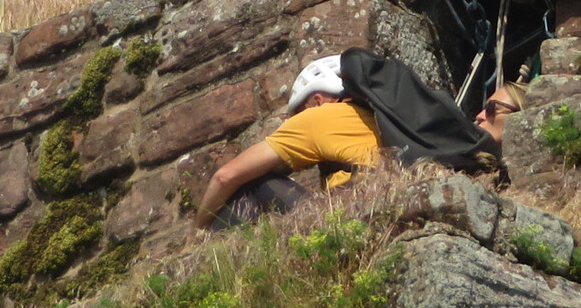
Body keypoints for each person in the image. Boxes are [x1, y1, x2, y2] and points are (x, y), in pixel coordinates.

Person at [194, 52, 518, 229]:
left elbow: (225, 176)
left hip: (354, 222)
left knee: (253, 185)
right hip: (398, 215)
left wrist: (195, 233)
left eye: (299, 111)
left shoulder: (319, 118)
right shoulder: (386, 118)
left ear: (317, 100)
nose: (293, 123)